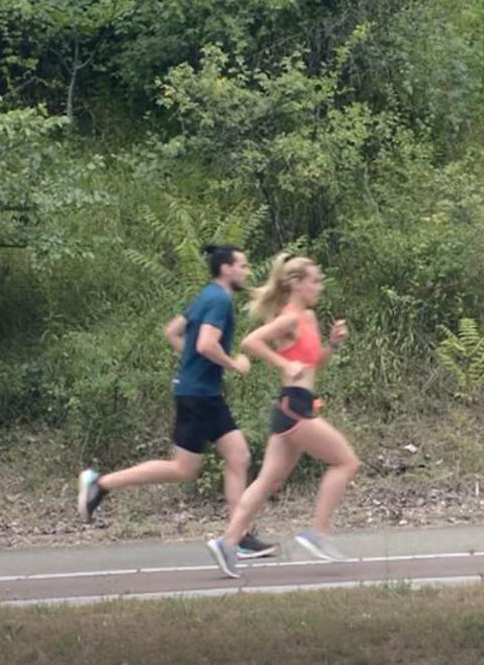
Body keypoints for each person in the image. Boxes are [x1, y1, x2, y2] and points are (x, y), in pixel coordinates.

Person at [77, 244, 277, 559]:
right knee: (184, 468)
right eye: (242, 265)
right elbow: (207, 343)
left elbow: (172, 332)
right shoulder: (220, 299)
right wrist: (233, 364)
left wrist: (192, 367)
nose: (246, 271)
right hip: (198, 396)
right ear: (226, 269)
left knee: (238, 456)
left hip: (202, 393)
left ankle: (238, 536)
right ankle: (100, 483)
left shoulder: (207, 295)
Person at [207, 252, 360, 578]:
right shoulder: (289, 317)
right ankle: (318, 533)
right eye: (314, 281)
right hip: (295, 407)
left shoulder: (310, 319)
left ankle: (228, 542)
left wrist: (332, 346)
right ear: (296, 284)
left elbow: (313, 363)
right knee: (346, 462)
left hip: (297, 404)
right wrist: (283, 364)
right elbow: (251, 342)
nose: (319, 287)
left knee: (268, 480)